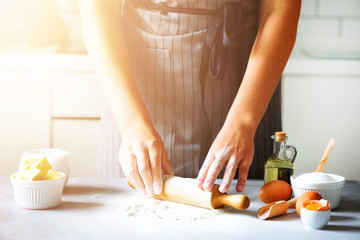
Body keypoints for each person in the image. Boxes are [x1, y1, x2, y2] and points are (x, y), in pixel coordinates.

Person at [81, 0, 301, 197]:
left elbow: (281, 8)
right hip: (137, 95)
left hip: (248, 84)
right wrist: (132, 125)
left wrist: (244, 121)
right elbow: (97, 8)